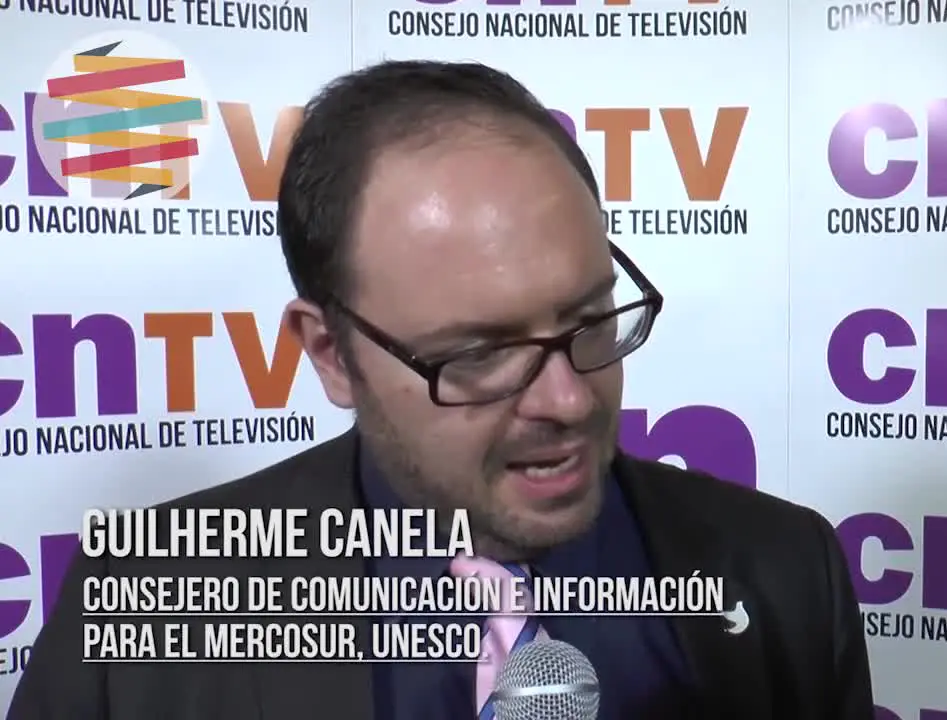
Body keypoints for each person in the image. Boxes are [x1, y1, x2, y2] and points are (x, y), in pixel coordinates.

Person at [7, 61, 875, 720]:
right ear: (332, 354)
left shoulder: (787, 570)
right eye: (479, 354)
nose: (570, 402)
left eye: (590, 319)